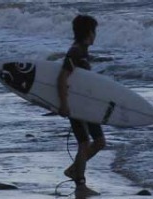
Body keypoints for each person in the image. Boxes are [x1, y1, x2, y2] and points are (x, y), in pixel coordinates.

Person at [57, 15, 106, 197]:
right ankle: (80, 185)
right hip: (76, 106)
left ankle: (73, 171)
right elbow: (62, 77)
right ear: (88, 33)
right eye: (94, 31)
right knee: (84, 143)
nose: (95, 35)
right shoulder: (75, 52)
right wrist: (64, 105)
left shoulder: (82, 51)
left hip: (87, 105)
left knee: (100, 142)